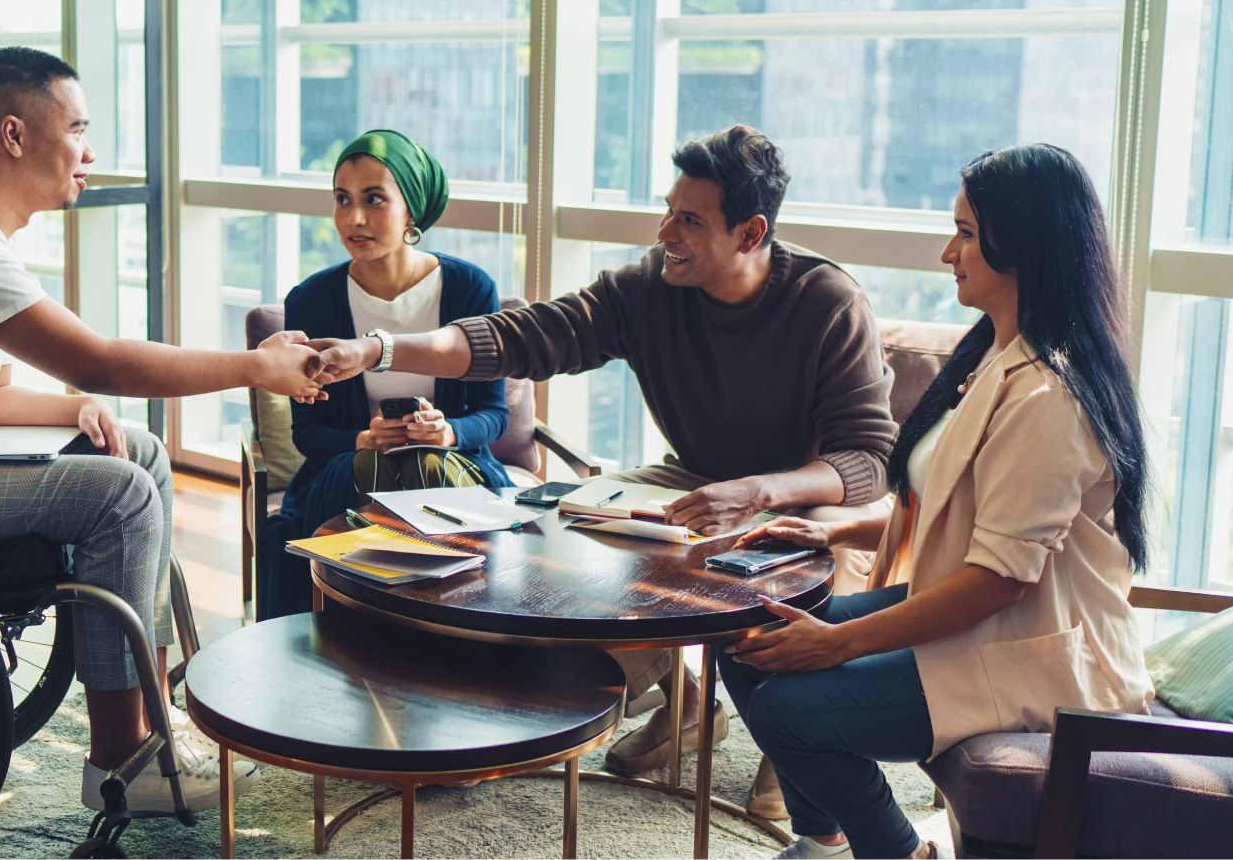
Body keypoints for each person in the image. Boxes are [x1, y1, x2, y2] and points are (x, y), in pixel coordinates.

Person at [0, 47, 327, 814]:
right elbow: (100, 360)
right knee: (120, 500)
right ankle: (120, 759)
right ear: (14, 135)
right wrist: (255, 366)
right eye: (77, 128)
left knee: (135, 448)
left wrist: (71, 408)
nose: (91, 151)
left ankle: (155, 716)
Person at [307, 125, 898, 791]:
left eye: (689, 219)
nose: (664, 231)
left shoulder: (828, 302)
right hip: (695, 471)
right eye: (669, 209)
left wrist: (761, 491)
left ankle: (794, 752)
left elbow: (868, 461)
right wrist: (380, 349)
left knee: (828, 558)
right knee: (571, 514)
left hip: (811, 487)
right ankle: (683, 703)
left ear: (751, 233)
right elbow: (522, 337)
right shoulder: (649, 287)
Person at [716, 143, 1153, 860]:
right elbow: (958, 506)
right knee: (748, 634)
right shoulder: (995, 358)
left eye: (968, 234)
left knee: (790, 708)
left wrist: (838, 642)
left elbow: (1000, 579)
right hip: (991, 613)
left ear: (1025, 243)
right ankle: (821, 841)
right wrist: (835, 533)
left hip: (1034, 648)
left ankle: (895, 851)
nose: (949, 252)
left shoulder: (1050, 395)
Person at [255, 129, 512, 621]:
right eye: (342, 200)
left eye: (375, 200)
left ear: (411, 208)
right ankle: (420, 633)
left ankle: (392, 633)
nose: (354, 218)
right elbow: (308, 435)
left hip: (456, 466)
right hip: (347, 472)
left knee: (425, 468)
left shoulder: (469, 288)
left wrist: (450, 432)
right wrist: (362, 439)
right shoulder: (311, 300)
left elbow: (494, 415)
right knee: (372, 470)